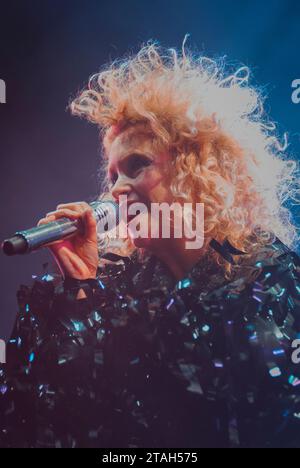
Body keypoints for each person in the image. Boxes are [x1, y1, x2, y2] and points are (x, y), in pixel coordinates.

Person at [1, 40, 300, 448]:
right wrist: (82, 288)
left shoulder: (274, 283)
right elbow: (74, 423)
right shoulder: (119, 291)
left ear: (197, 171)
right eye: (112, 176)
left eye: (136, 165)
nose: (116, 189)